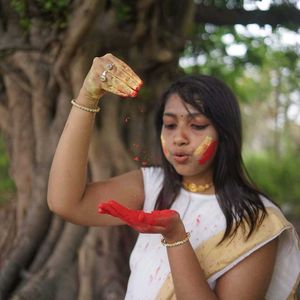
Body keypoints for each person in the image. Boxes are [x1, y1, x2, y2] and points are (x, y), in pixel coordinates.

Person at [47, 53, 300, 300]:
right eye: (169, 125)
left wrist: (176, 237)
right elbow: (66, 203)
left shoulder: (257, 222)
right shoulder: (152, 185)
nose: (179, 138)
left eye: (197, 125)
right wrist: (88, 96)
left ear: (226, 134)